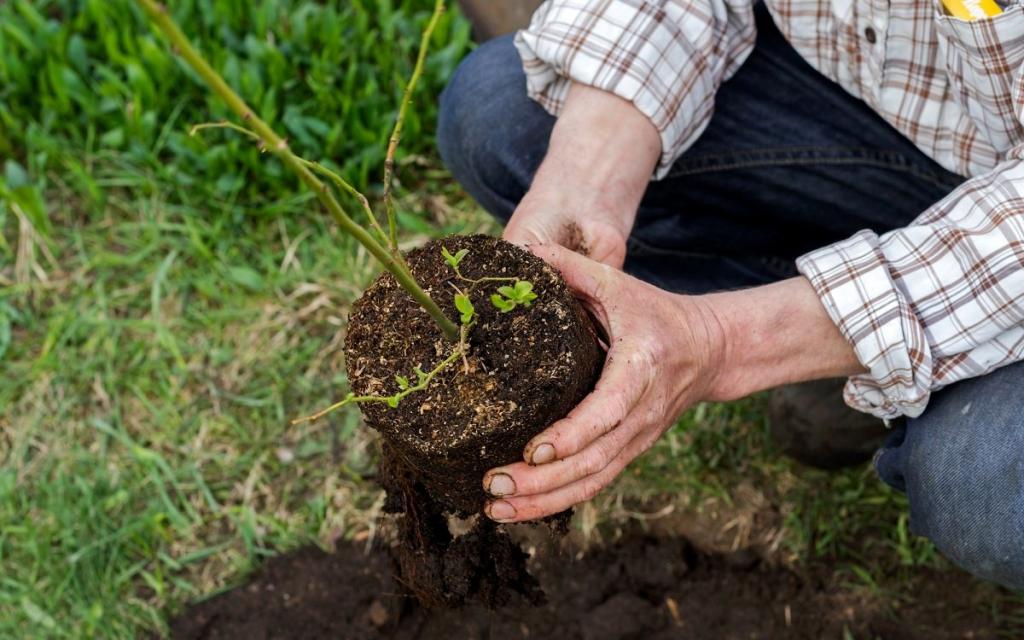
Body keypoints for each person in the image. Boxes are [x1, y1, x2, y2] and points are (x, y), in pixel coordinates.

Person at [436, 0, 1024, 590]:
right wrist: (588, 180)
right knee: (500, 117)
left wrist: (723, 340)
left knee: (987, 489)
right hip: (891, 121)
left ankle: (870, 352)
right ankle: (863, 345)